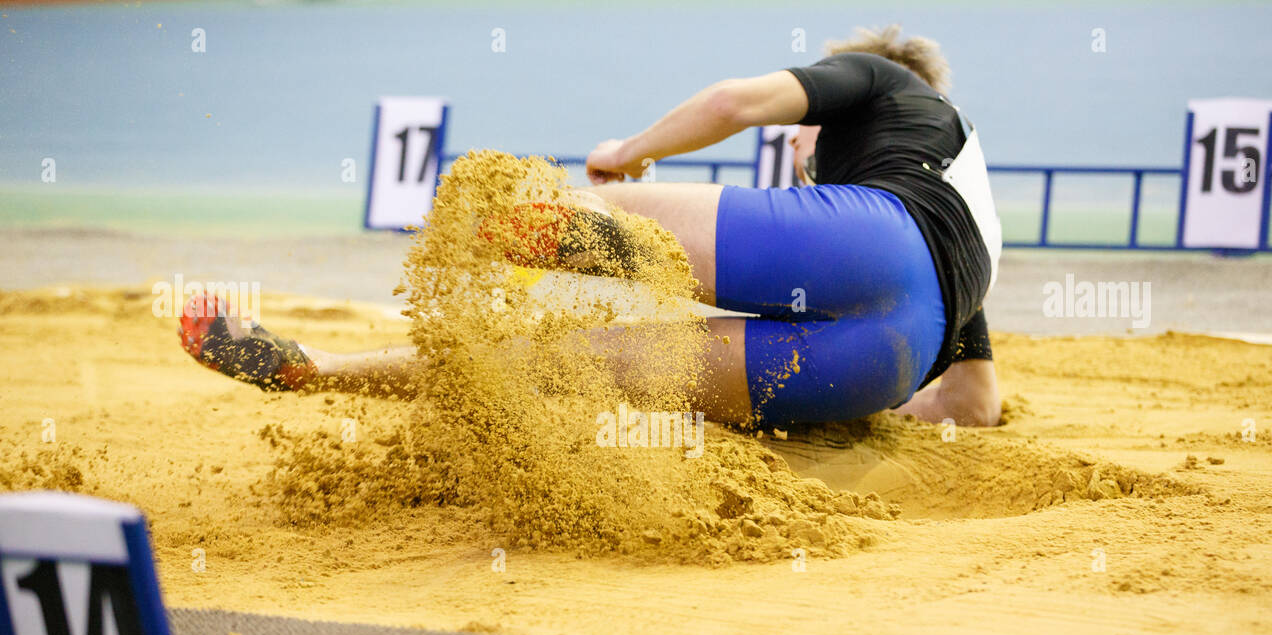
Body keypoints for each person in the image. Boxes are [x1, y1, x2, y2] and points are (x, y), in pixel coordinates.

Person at [180, 24, 1002, 428]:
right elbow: (973, 405)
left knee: (526, 211)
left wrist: (630, 152)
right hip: (885, 362)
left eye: (803, 134)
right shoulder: (968, 222)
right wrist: (880, 410)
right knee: (561, 367)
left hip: (867, 242)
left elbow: (733, 104)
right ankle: (315, 371)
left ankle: (473, 274)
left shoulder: (884, 79)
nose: (792, 145)